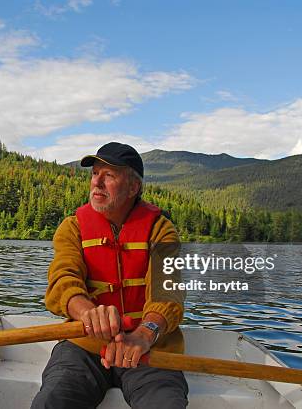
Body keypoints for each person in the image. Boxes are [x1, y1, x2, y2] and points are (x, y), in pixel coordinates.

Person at [31, 142, 188, 409]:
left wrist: (145, 334)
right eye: (94, 174)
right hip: (85, 346)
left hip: (148, 347)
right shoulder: (73, 227)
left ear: (133, 187)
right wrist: (88, 314)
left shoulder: (161, 230)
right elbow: (62, 281)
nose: (97, 183)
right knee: (52, 401)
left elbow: (167, 292)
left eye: (109, 175)